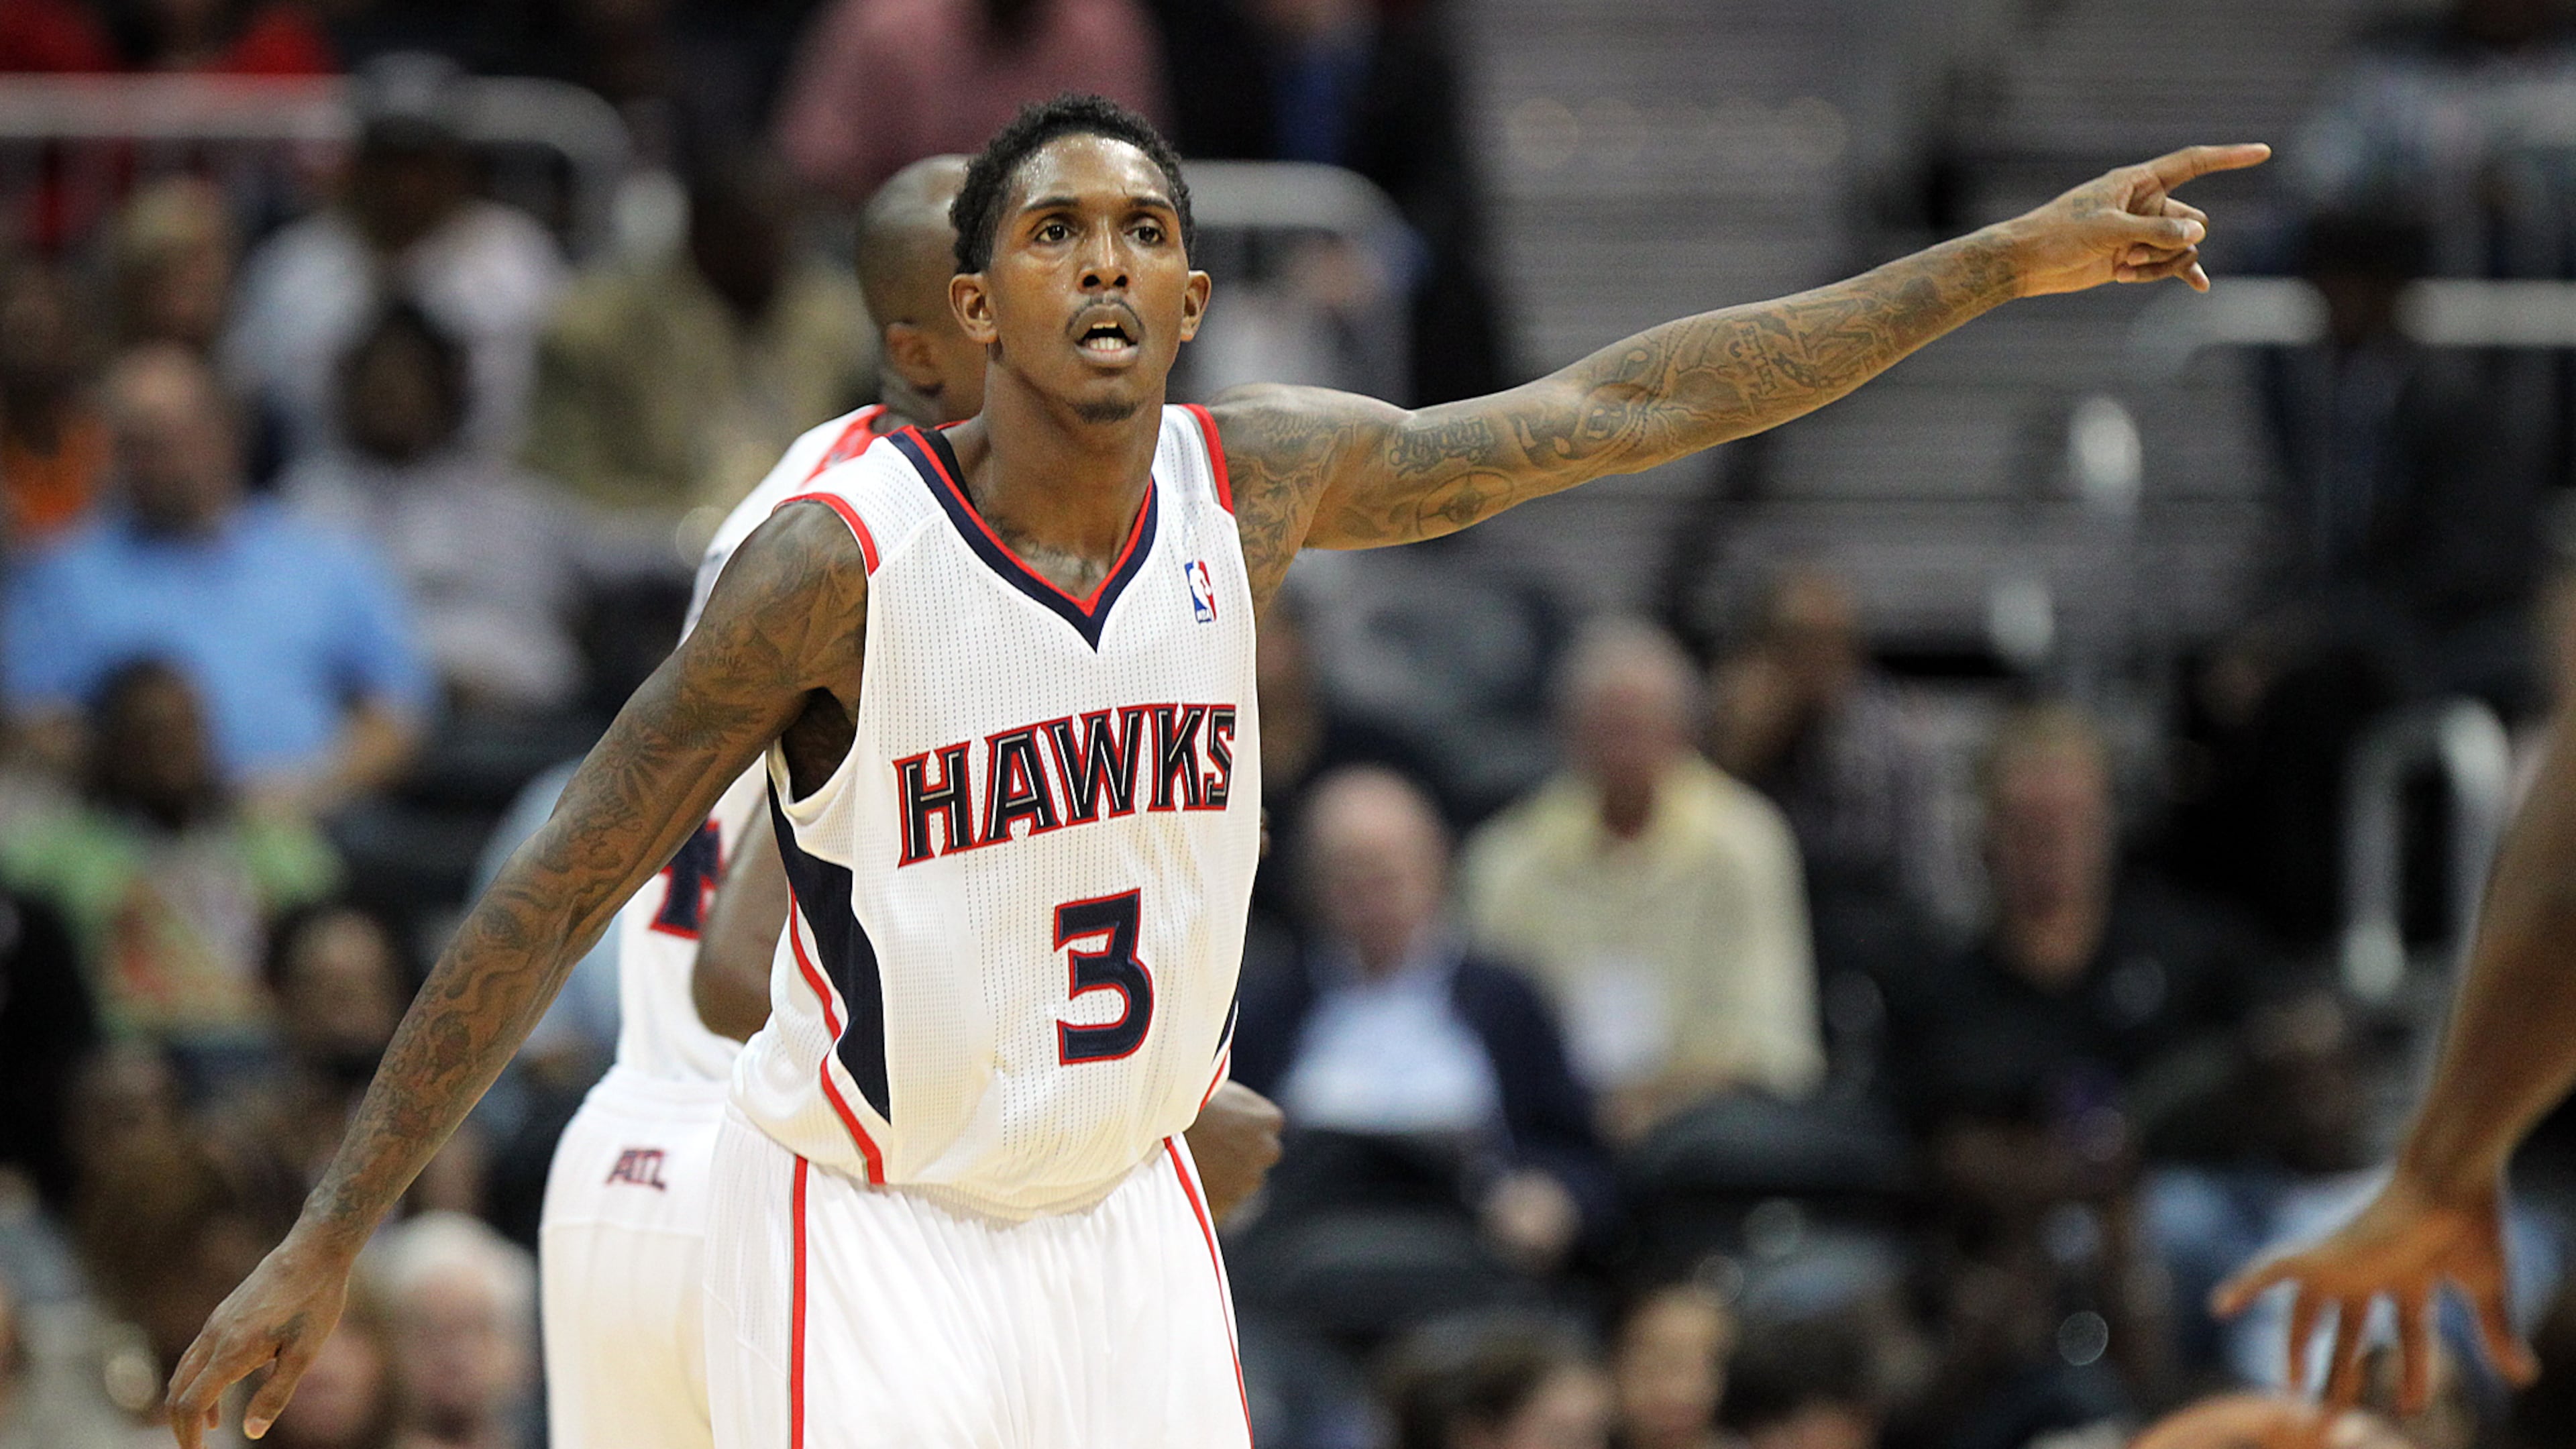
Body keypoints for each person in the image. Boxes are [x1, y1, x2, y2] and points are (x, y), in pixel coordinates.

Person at [165, 95, 2263, 1449]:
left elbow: (1627, 401)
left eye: (1138, 227)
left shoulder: (1253, 483)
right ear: (963, 309)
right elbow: (562, 891)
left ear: (1187, 289)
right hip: (874, 1222)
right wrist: (330, 1233)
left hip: (1130, 1223)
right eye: (1052, 231)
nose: (1100, 259)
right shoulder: (833, 562)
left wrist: (1991, 268)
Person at [533, 154, 1277, 1449]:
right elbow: (743, 962)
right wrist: (1105, 1116)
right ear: (945, 335)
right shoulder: (884, 550)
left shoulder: (819, 504)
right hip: (765, 1165)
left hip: (629, 1155)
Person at [1, 345, 434, 817]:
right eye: (132, 445)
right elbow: (32, 720)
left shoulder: (325, 560)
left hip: (305, 825)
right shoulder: (62, 571)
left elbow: (397, 714)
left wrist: (315, 788)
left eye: (166, 440)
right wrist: (150, 786)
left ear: (223, 434)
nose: (150, 464)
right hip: (123, 831)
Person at [1230, 767, 1613, 1283]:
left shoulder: (1505, 998)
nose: (1370, 900)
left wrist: (1553, 1198)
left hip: (1472, 1247)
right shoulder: (1269, 1007)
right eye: (1348, 879)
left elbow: (1576, 1148)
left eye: (1387, 876)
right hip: (1307, 1252)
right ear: (1312, 887)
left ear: (1437, 867)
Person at [1460, 620, 1822, 1134]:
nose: (1625, 747)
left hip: (1712, 1122)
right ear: (1570, 734)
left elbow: (1771, 1037)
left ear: (1684, 732)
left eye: (1642, 725)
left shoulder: (1747, 842)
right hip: (1554, 1122)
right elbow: (1486, 1032)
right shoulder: (1507, 857)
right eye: (1608, 727)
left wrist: (1654, 1102)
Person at [224, 54, 566, 467]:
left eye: (421, 162)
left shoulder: (518, 257)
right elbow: (244, 399)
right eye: (388, 161)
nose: (404, 184)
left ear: (455, 163)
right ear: (358, 164)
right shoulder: (293, 265)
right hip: (323, 494)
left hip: (482, 493)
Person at [519, 155, 877, 527]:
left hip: (813, 538)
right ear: (700, 229)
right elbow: (561, 483)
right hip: (639, 553)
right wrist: (690, 527)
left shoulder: (836, 317)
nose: (768, 248)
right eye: (745, 233)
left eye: (781, 230)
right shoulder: (598, 328)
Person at [772, 0, 1167, 204]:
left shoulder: (1106, 30)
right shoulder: (884, 25)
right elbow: (815, 170)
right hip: (894, 268)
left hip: (1062, 274)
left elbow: (1135, 172)